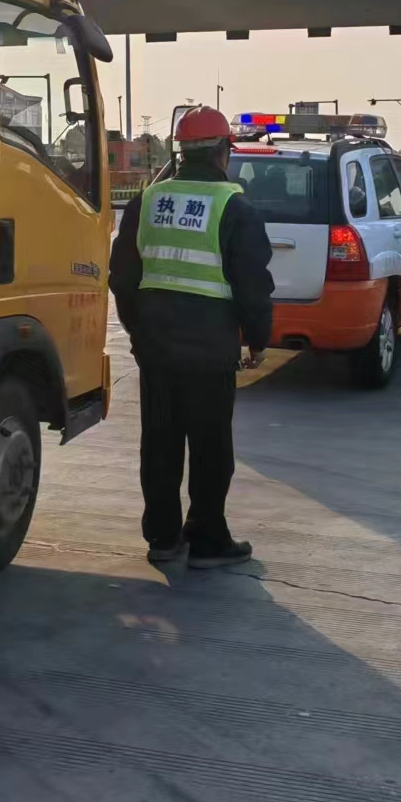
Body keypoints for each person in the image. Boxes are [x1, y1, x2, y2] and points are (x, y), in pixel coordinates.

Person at [109, 106, 274, 568]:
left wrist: (137, 330)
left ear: (180, 152)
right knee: (210, 447)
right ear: (224, 152)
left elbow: (121, 275)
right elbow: (252, 285)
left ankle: (162, 539)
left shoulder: (148, 201)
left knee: (159, 444)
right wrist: (258, 338)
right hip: (210, 353)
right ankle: (206, 539)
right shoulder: (233, 207)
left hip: (156, 349)